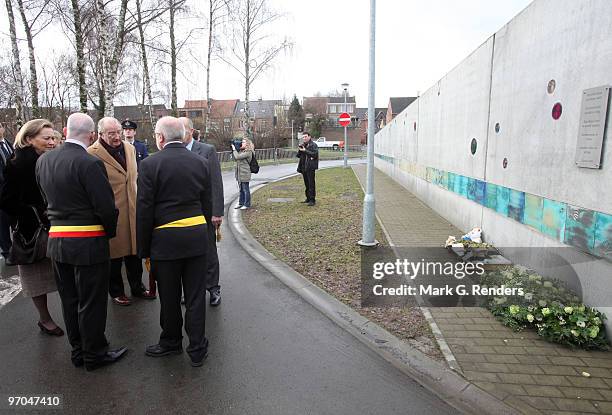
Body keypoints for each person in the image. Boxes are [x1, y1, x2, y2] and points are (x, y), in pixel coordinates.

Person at [36, 112, 127, 371]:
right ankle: (95, 354)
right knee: (92, 301)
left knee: (70, 299)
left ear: (65, 131)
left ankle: (78, 350)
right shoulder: (90, 164)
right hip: (88, 240)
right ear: (90, 135)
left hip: (57, 241)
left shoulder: (44, 161)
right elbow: (106, 208)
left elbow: (45, 199)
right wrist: (108, 233)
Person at [137, 116, 212, 367]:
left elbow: (144, 211)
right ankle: (198, 348)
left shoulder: (149, 165)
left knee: (169, 296)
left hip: (165, 242)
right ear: (183, 135)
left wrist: (143, 250)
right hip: (197, 239)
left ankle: (170, 342)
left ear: (159, 137)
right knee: (195, 296)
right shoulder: (201, 162)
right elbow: (207, 204)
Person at [0, 119, 64, 336]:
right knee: (36, 277)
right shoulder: (17, 164)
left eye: (53, 137)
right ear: (29, 139)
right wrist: (34, 211)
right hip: (31, 231)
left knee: (63, 272)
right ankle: (44, 319)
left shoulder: (53, 159)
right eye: (46, 138)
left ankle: (71, 314)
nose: (52, 142)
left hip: (57, 224)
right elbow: (6, 200)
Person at [88, 117, 156, 306]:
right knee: (114, 256)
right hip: (111, 212)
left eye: (118, 132)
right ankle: (116, 290)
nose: (117, 136)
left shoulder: (130, 148)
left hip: (134, 210)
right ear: (100, 134)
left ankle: (137, 287)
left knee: (135, 252)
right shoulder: (92, 153)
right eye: (112, 133)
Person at [180, 117, 223, 306]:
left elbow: (216, 183)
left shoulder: (207, 151)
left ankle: (213, 287)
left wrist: (217, 212)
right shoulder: (173, 151)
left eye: (182, 130)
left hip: (204, 212)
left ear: (190, 131)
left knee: (209, 251)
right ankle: (188, 290)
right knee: (185, 254)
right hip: (182, 213)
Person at [0, 122, 15, 259]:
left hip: (13, 191)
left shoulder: (9, 144)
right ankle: (6, 251)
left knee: (13, 221)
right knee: (2, 224)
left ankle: (15, 248)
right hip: (1, 191)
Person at [296, 131, 319, 206]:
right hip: (304, 167)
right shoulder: (303, 145)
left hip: (310, 167)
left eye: (305, 136)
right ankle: (308, 198)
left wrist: (305, 151)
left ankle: (312, 200)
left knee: (311, 183)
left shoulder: (313, 145)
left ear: (309, 137)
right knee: (306, 184)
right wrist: (300, 149)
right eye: (303, 137)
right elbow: (298, 156)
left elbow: (315, 155)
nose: (304, 138)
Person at [232, 138, 254, 210]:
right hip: (239, 173)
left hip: (245, 173)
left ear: (247, 144)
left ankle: (247, 204)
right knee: (241, 189)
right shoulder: (241, 151)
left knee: (245, 189)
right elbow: (235, 158)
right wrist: (237, 149)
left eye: (243, 142)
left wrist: (234, 149)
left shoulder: (249, 152)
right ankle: (241, 203)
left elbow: (237, 157)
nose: (241, 143)